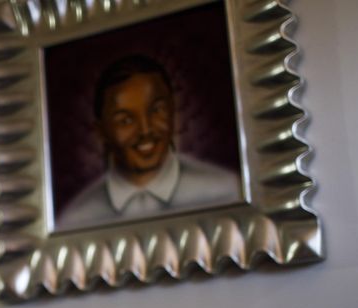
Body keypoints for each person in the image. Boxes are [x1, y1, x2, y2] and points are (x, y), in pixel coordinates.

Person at [56, 54, 242, 230]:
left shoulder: (227, 192)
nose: (145, 130)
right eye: (126, 120)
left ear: (172, 109)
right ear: (101, 131)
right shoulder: (76, 219)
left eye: (156, 110)